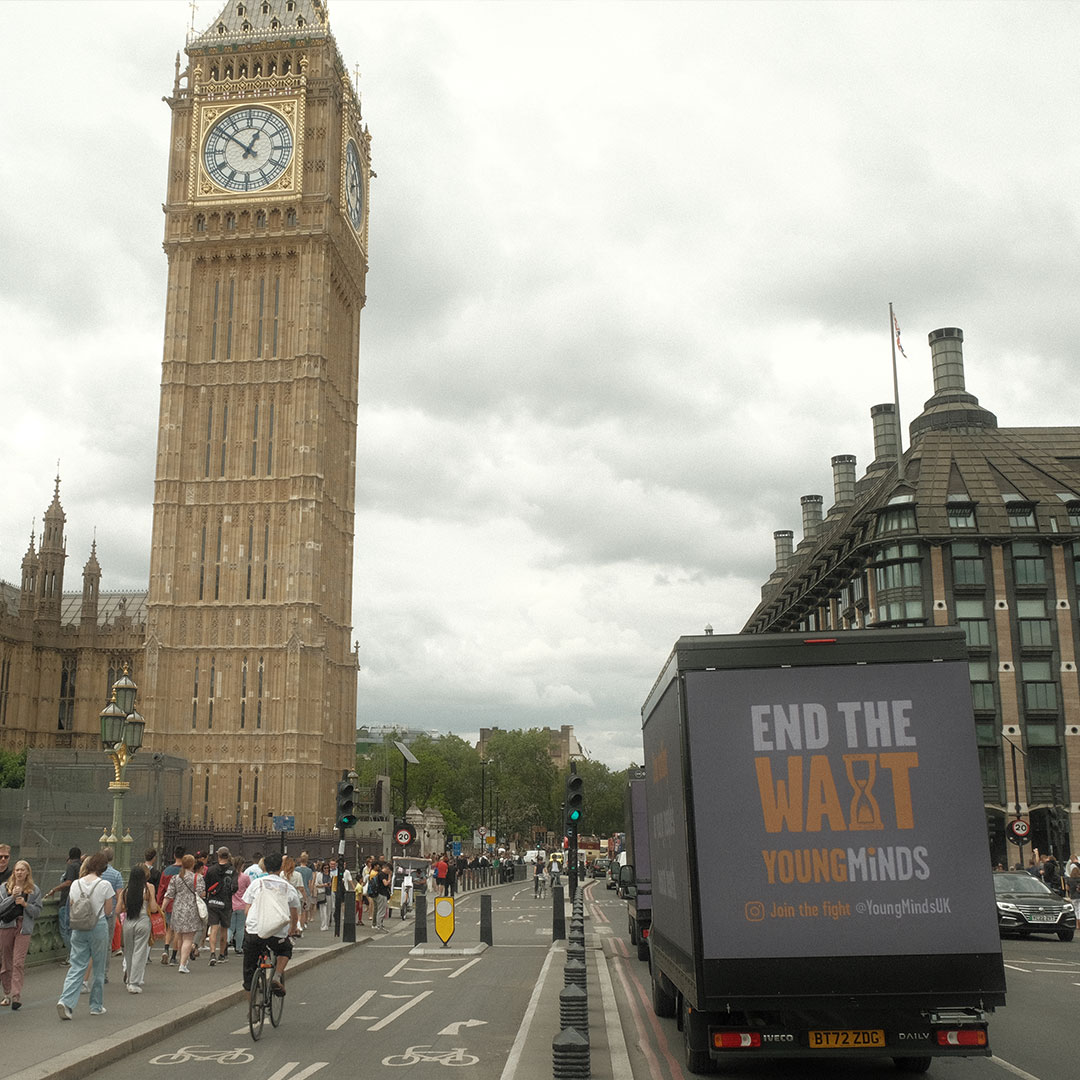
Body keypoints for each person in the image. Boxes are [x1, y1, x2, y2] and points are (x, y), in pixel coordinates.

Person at [57, 852, 114, 1019]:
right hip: (98, 926)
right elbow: (108, 911)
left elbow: (73, 905)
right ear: (103, 868)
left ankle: (66, 1002)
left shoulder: (75, 884)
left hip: (78, 927)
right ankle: (96, 1005)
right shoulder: (105, 885)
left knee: (76, 965)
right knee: (98, 967)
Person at [241, 850, 300, 997]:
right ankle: (277, 975)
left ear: (265, 868)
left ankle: (252, 1009)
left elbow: (247, 909)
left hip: (255, 930)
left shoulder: (257, 883)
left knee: (249, 968)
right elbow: (294, 912)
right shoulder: (287, 887)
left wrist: (251, 923)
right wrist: (293, 929)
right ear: (281, 868)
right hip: (277, 931)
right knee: (285, 950)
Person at [0, 859, 43, 1010]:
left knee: (18, 962)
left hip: (23, 928)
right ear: (14, 872)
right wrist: (12, 897)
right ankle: (6, 993)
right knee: (6, 962)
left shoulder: (34, 890)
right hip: (6, 926)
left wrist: (26, 905)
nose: (19, 872)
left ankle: (16, 995)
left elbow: (37, 911)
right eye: (17, 870)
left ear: (27, 873)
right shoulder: (4, 888)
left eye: (22, 870)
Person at [117, 864, 157, 994]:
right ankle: (134, 982)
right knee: (140, 951)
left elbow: (118, 909)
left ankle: (129, 978)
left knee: (128, 951)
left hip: (129, 921)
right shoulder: (149, 888)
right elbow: (154, 908)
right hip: (143, 920)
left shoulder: (125, 891)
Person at [164, 854, 205, 974]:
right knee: (188, 938)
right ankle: (183, 964)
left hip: (177, 908)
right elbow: (201, 893)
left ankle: (182, 959)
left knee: (180, 935)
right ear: (193, 864)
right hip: (191, 908)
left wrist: (162, 908)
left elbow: (169, 894)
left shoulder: (175, 878)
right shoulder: (197, 878)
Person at [44, 847, 82, 962]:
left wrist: (54, 890)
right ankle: (77, 955)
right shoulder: (82, 866)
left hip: (66, 901)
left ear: (69, 856)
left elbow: (68, 882)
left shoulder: (71, 866)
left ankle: (72, 956)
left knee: (65, 930)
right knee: (74, 930)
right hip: (78, 902)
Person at [157, 846, 185, 966]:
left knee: (169, 928)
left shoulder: (167, 871)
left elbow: (162, 888)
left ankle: (165, 949)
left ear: (174, 855)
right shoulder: (185, 871)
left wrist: (160, 903)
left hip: (168, 903)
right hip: (181, 903)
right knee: (178, 931)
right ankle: (174, 956)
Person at [230, 857, 250, 956]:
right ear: (242, 865)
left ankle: (226, 943)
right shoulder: (245, 877)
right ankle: (238, 948)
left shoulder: (230, 876)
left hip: (231, 904)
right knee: (240, 928)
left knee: (230, 927)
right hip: (242, 905)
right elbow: (249, 890)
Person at [297, 852, 315, 932]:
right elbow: (310, 883)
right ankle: (304, 923)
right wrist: (310, 891)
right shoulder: (309, 870)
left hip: (298, 891)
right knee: (305, 909)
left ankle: (298, 923)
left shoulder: (296, 869)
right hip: (306, 890)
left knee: (298, 910)